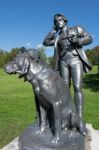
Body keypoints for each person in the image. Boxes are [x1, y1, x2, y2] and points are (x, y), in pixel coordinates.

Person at [43, 13, 93, 135]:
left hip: (75, 61)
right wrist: (53, 30)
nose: (58, 22)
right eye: (55, 21)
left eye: (59, 20)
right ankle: (66, 119)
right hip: (63, 63)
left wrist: (79, 40)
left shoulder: (77, 28)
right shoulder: (57, 37)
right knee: (64, 91)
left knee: (77, 87)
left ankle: (80, 121)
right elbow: (45, 42)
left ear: (65, 20)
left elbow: (89, 38)